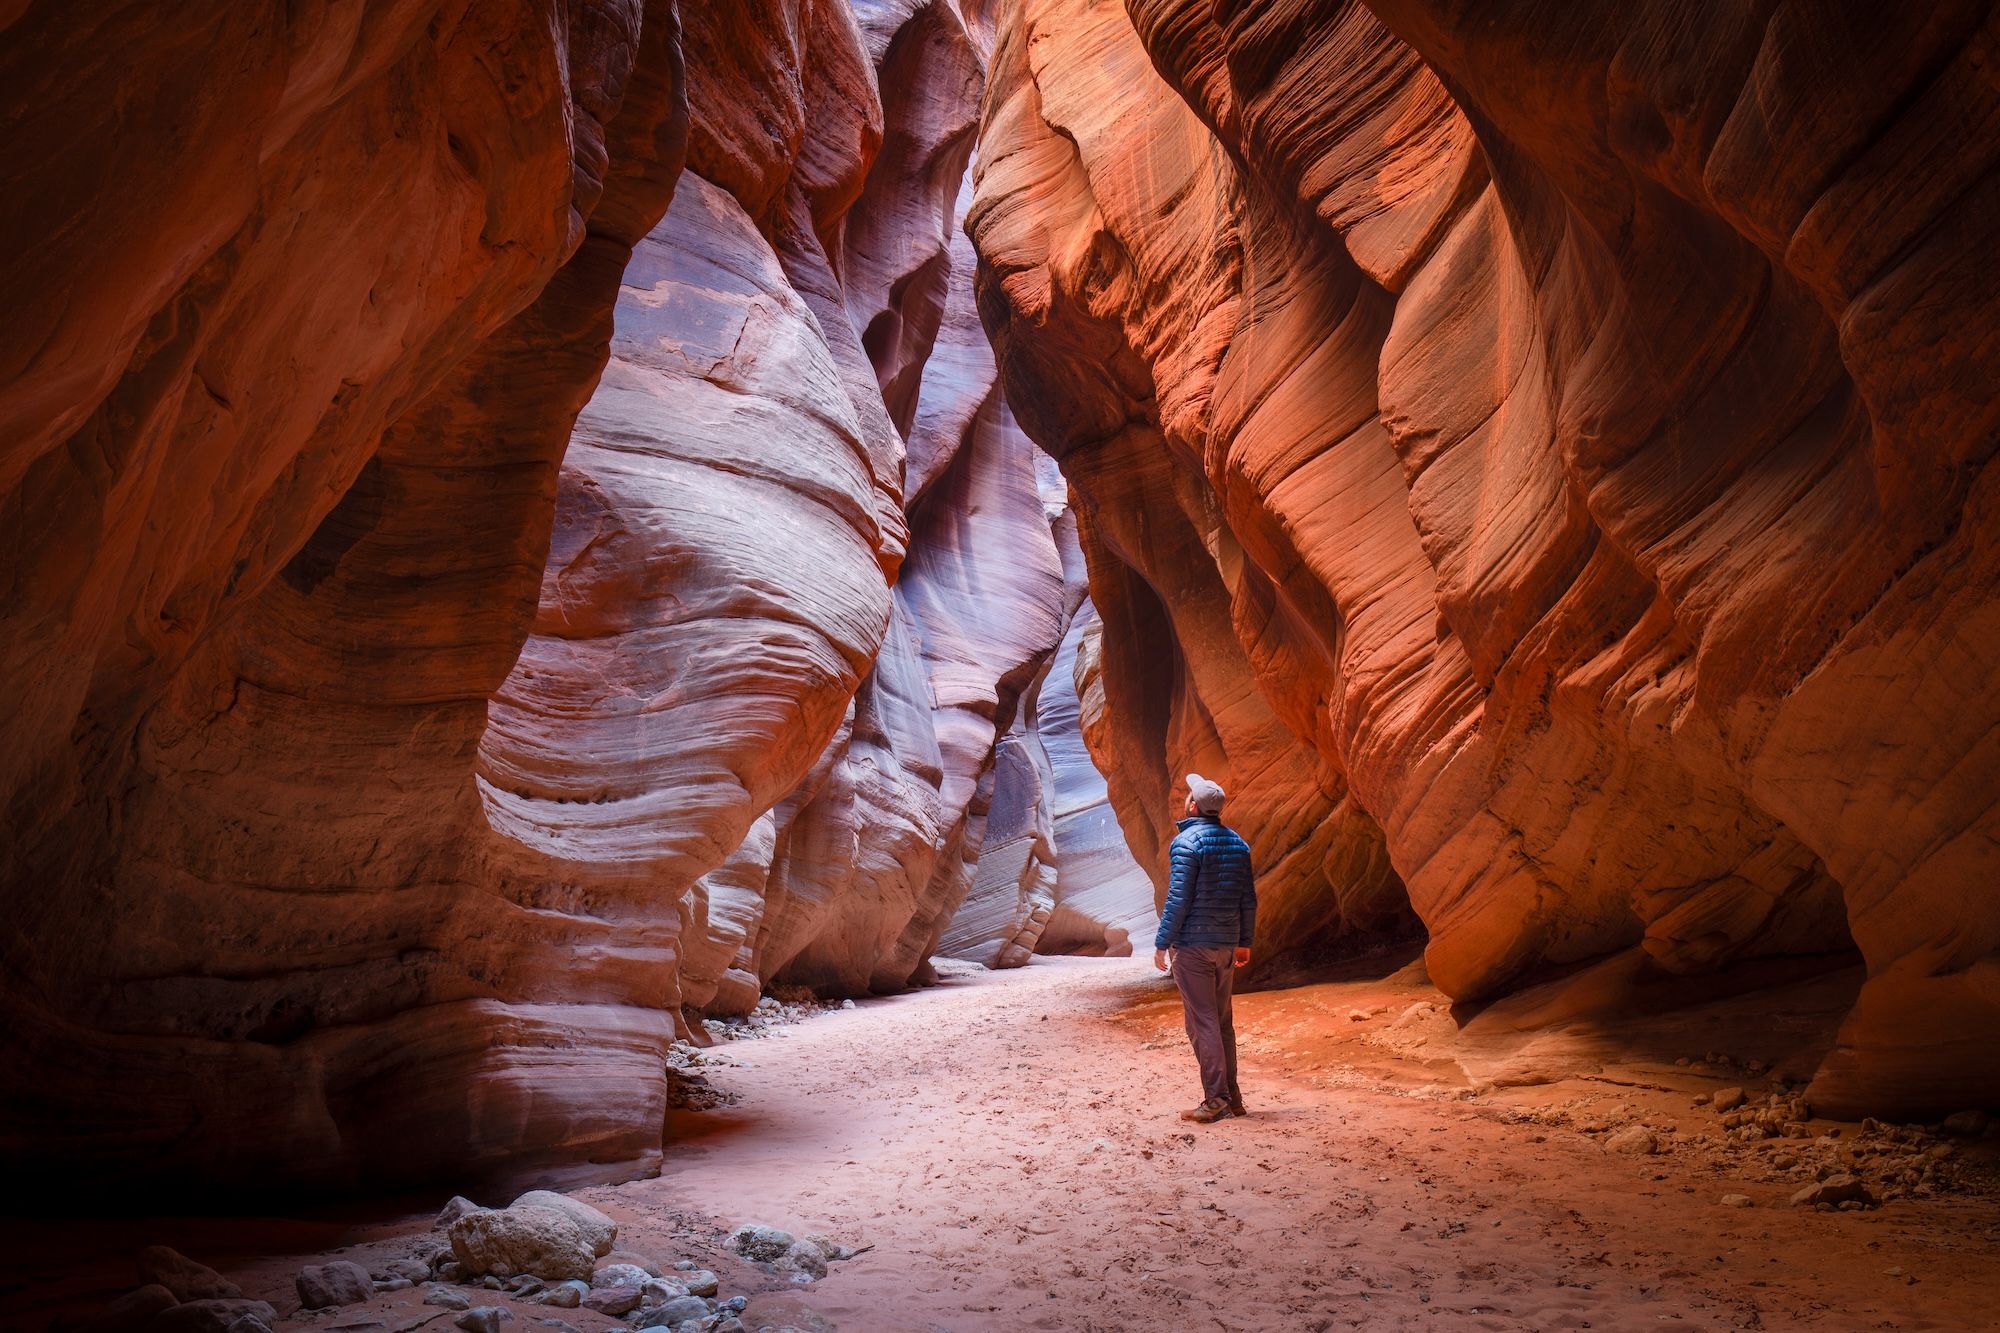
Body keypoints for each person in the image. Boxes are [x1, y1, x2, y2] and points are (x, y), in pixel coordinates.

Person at [1152, 772, 1256, 1123]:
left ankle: (1216, 1100)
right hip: (1226, 945)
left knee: (1203, 1023)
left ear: (1193, 806)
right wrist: (1244, 943)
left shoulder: (1187, 844)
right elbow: (1247, 899)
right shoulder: (1238, 844)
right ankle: (1234, 1098)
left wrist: (1162, 942)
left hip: (1193, 947)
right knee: (1222, 1021)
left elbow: (1177, 900)